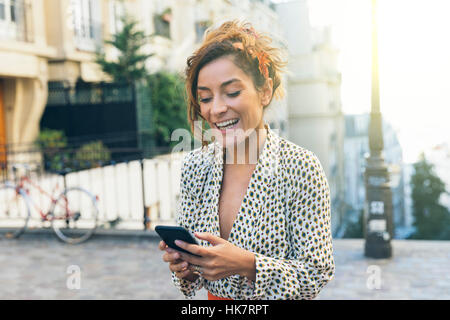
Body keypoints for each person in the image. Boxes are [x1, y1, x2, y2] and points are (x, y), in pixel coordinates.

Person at [159, 19, 335, 300]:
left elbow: (315, 273)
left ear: (264, 90)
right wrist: (185, 267)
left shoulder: (301, 167)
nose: (216, 109)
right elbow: (192, 277)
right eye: (204, 98)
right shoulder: (195, 167)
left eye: (232, 93)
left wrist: (246, 264)